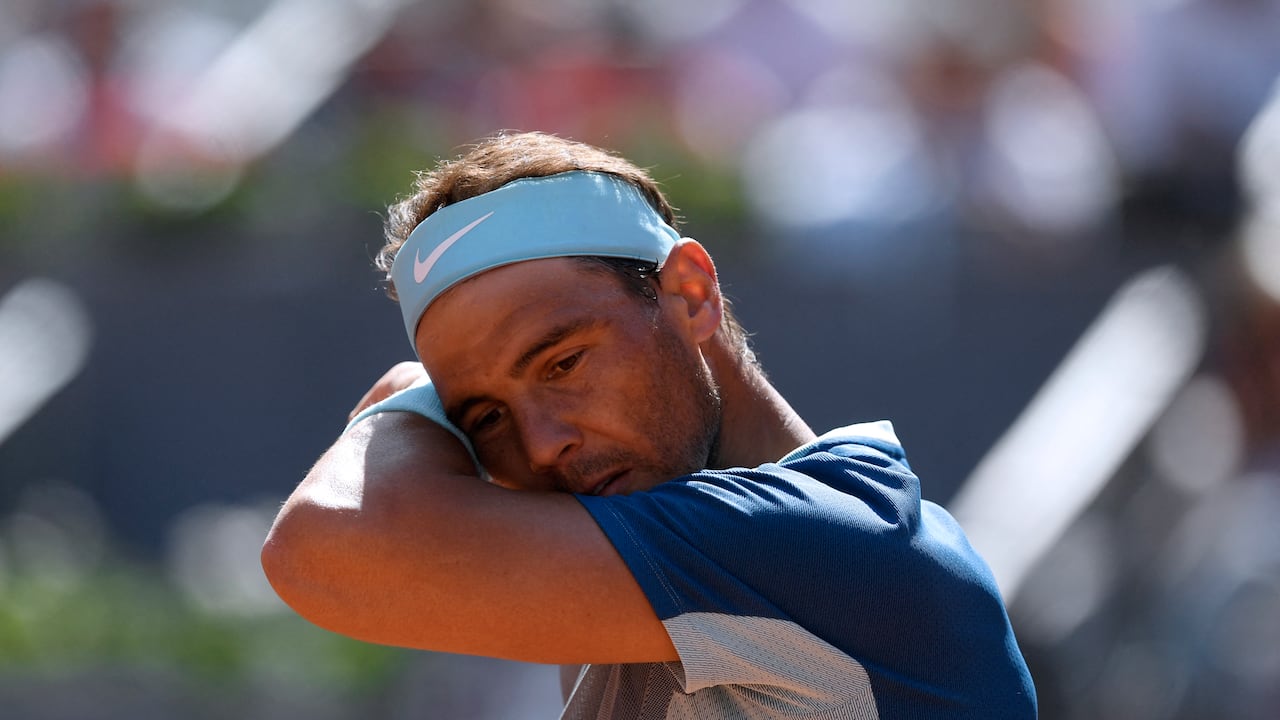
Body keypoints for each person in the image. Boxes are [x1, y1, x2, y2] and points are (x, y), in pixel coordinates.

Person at [261, 131, 1037, 719]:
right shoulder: (658, 560)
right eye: (487, 416)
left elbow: (319, 554)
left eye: (562, 363)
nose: (540, 444)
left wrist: (412, 393)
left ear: (692, 295)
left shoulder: (825, 543)